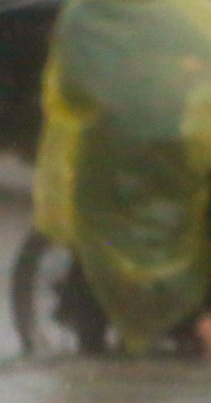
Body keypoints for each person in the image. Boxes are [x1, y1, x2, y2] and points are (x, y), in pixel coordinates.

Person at [34, 0, 211, 353]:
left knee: (119, 238)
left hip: (130, 148)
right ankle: (189, 318)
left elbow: (74, 87)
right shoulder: (169, 14)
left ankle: (182, 316)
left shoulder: (87, 18)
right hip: (151, 147)